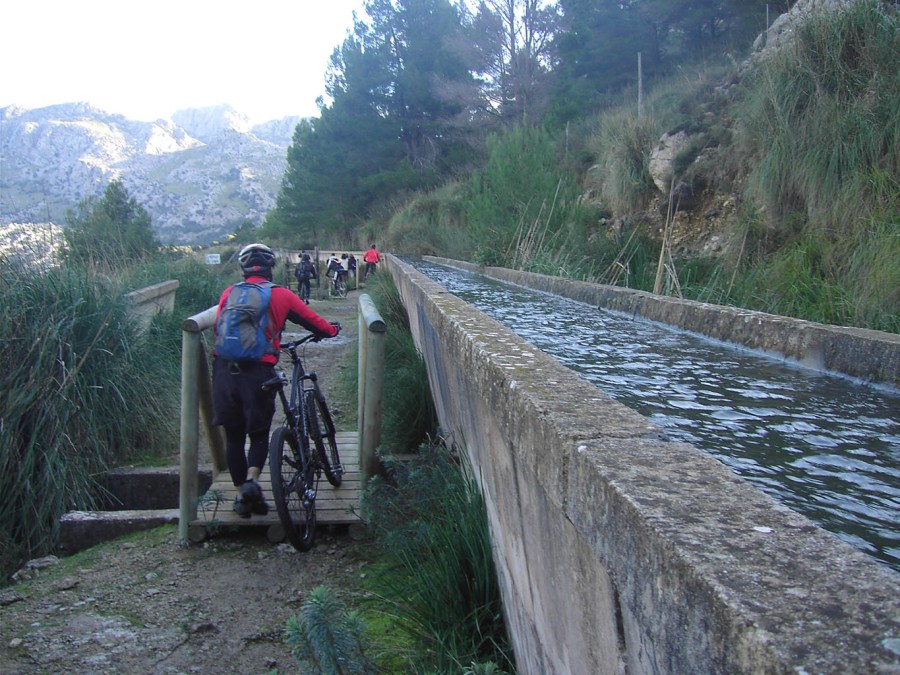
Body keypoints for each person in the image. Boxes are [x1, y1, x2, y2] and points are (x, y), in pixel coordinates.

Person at [212, 243, 340, 518]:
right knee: (259, 435)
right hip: (257, 371)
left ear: (244, 269)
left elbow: (217, 330)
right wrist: (331, 330)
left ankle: (241, 496)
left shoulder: (229, 293)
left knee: (234, 436)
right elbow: (313, 322)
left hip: (223, 370)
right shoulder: (280, 294)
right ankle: (252, 480)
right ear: (271, 268)